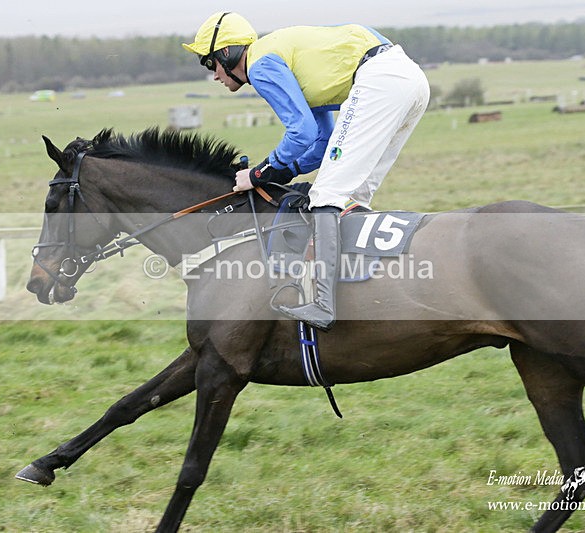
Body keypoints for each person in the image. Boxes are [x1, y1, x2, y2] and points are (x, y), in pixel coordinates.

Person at [183, 12, 430, 331]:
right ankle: (364, 292)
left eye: (208, 63)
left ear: (226, 53)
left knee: (326, 195)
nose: (213, 75)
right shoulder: (283, 59)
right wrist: (284, 173)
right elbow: (321, 139)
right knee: (353, 196)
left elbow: (299, 132)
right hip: (409, 79)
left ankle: (324, 305)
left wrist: (259, 174)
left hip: (381, 80)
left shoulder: (260, 64)